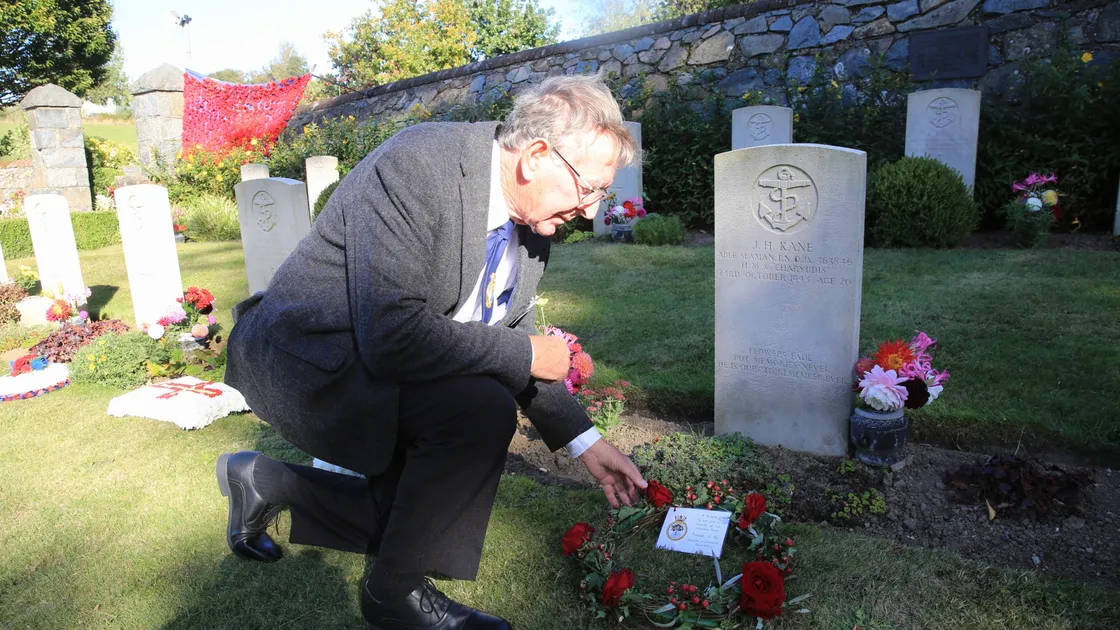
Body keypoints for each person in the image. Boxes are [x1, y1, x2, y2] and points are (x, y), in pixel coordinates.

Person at [218, 74, 648, 630]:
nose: (591, 212)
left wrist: (585, 442)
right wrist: (525, 353)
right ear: (537, 156)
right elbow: (394, 334)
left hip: (390, 368)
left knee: (421, 509)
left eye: (601, 195)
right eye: (588, 188)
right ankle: (393, 600)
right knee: (476, 418)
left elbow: (508, 336)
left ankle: (264, 483)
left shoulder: (534, 223)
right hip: (316, 362)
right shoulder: (419, 165)